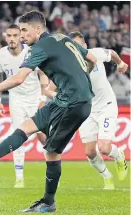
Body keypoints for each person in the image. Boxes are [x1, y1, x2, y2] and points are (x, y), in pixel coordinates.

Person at [0, 10, 97, 213]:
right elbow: (91, 58)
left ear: (38, 29)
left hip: (74, 103)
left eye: (24, 30)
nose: (22, 35)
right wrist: (81, 77)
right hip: (66, 99)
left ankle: (49, 202)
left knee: (51, 152)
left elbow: (18, 78)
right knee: (26, 127)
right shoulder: (62, 38)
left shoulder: (38, 48)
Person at [50, 31, 127, 190]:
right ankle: (107, 177)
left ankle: (119, 156)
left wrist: (119, 64)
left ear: (85, 46)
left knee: (104, 147)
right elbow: (51, 88)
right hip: (86, 110)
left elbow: (111, 53)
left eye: (79, 46)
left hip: (106, 105)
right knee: (90, 152)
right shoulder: (67, 67)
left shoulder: (96, 53)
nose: (77, 49)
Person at [0, 24, 48, 188]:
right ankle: (19, 178)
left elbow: (43, 73)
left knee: (43, 136)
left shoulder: (30, 52)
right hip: (15, 99)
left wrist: (43, 97)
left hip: (34, 98)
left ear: (20, 37)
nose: (12, 39)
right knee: (17, 136)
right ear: (5, 37)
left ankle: (52, 168)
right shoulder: (0, 55)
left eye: (15, 35)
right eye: (9, 35)